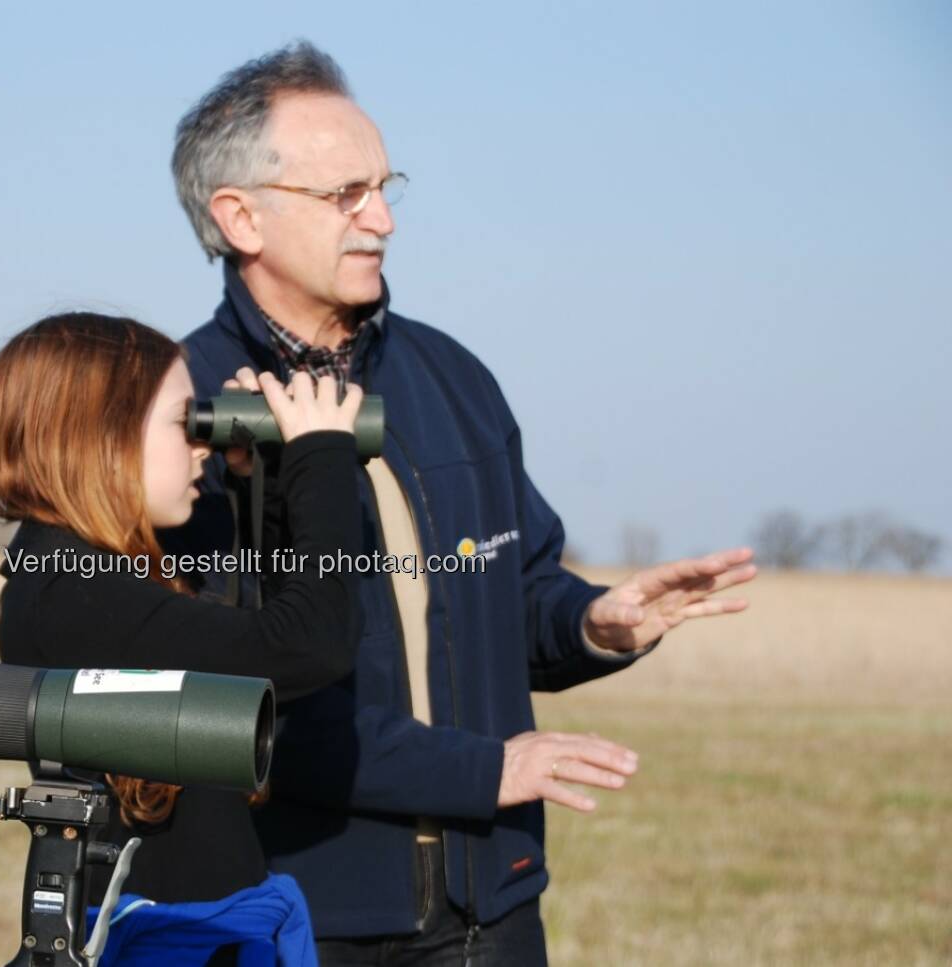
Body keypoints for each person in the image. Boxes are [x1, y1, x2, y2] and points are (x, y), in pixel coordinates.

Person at [165, 42, 760, 965]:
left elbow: (516, 592)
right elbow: (238, 702)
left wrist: (596, 622)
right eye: (345, 195)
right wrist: (489, 770)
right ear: (240, 217)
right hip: (305, 915)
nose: (385, 220)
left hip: (495, 909)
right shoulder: (188, 414)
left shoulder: (453, 377)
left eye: (386, 185)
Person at [0, 312, 363, 962]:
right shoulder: (72, 594)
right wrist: (321, 456)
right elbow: (304, 642)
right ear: (99, 437)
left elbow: (232, 627)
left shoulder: (80, 572)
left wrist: (257, 479)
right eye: (184, 423)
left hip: (189, 923)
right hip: (165, 936)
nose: (202, 445)